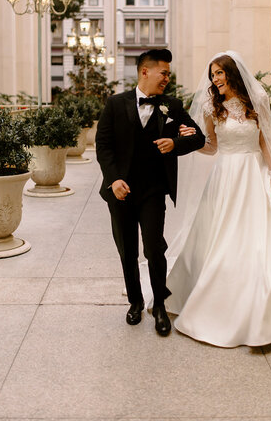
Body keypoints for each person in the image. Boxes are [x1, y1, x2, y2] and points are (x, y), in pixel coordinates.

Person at [165, 51, 271, 347]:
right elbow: (211, 147)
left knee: (265, 239)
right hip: (226, 176)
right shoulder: (212, 107)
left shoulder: (256, 101)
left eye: (219, 73)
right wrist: (191, 140)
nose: (214, 79)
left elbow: (264, 140)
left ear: (232, 74)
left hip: (253, 174)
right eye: (212, 75)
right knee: (222, 238)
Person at [96, 48, 205, 337]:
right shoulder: (115, 104)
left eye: (169, 73)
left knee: (154, 248)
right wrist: (114, 180)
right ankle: (135, 301)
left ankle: (159, 306)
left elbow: (199, 137)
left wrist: (175, 144)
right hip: (121, 191)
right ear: (146, 71)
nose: (168, 78)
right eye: (164, 73)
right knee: (127, 249)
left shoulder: (173, 106)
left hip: (154, 190)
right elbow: (103, 146)